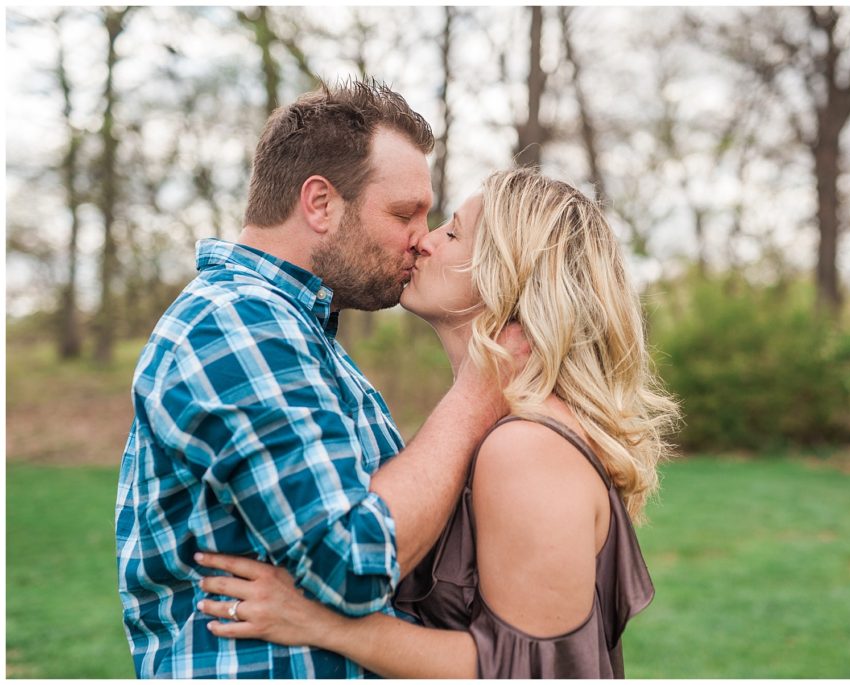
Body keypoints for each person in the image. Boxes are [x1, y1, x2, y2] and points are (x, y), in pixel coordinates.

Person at [194, 168, 680, 678]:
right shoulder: (489, 428)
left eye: (452, 232)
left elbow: (532, 673)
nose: (424, 242)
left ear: (510, 273)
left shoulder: (528, 448)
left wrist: (323, 622)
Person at [114, 80, 526, 678]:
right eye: (404, 212)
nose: (421, 236)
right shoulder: (237, 325)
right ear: (320, 203)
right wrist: (477, 395)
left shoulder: (300, 336)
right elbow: (354, 562)